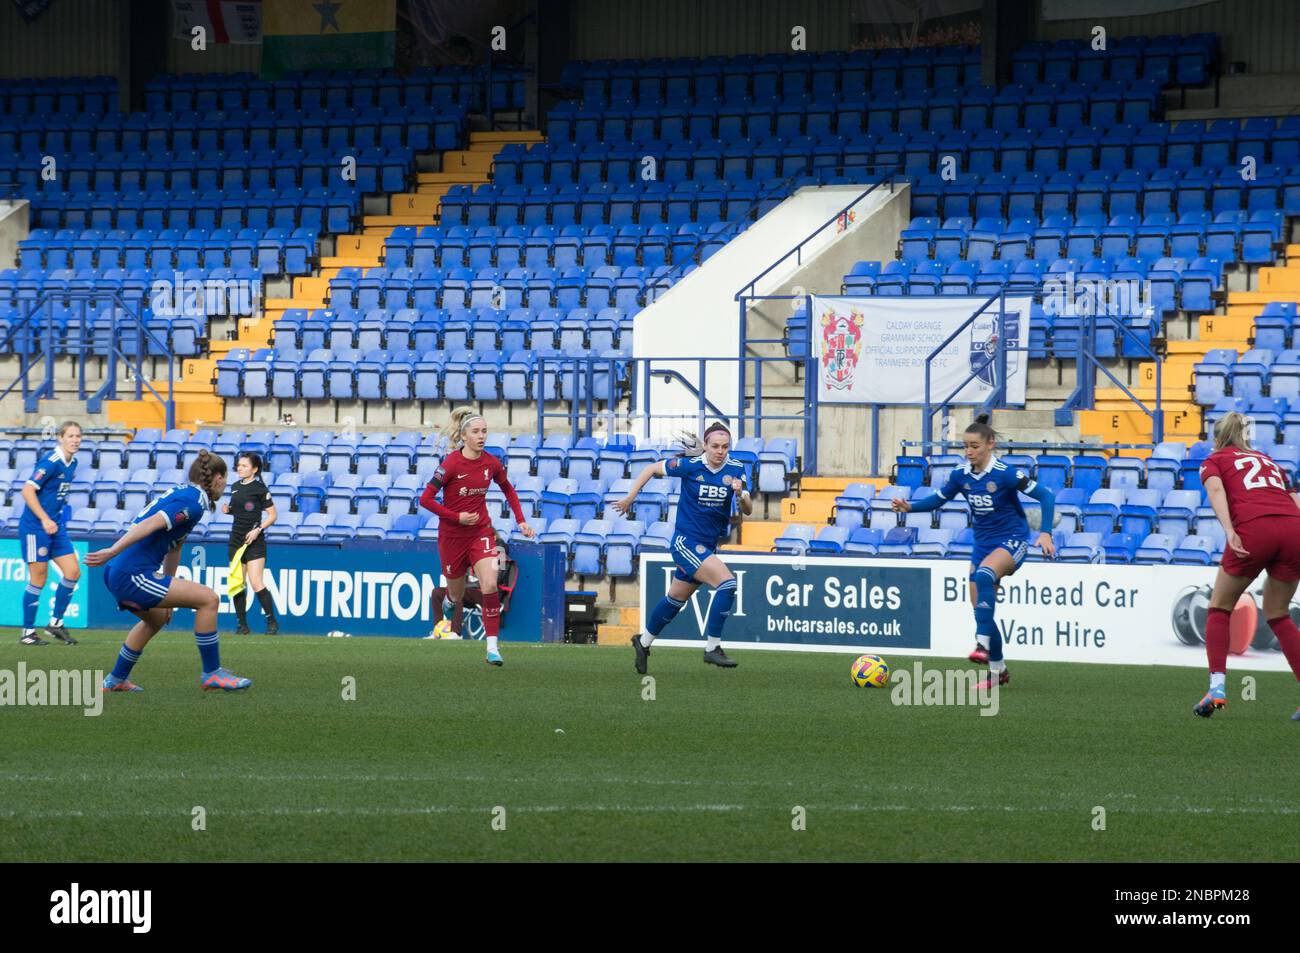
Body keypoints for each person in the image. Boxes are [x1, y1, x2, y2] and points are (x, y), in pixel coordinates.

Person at [892, 414, 1056, 689]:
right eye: (965, 446)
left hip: (1013, 539)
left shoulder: (1005, 473)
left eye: (974, 446)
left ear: (990, 444)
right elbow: (938, 500)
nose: (969, 451)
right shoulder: (961, 475)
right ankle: (997, 671)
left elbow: (1046, 496)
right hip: (982, 544)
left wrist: (1046, 531)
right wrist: (911, 507)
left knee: (983, 576)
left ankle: (980, 643)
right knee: (982, 609)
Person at [87, 451, 252, 693]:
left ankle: (116, 680)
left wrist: (169, 594)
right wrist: (112, 550)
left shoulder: (186, 494)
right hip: (131, 573)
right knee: (209, 599)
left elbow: (175, 547)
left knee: (156, 619)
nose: (224, 486)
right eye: (225, 481)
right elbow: (150, 523)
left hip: (120, 571)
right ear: (217, 478)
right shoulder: (193, 502)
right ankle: (212, 673)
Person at [616, 423, 752, 673]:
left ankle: (643, 642)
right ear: (705, 445)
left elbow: (748, 509)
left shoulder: (736, 469)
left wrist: (741, 494)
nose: (720, 451)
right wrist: (630, 497)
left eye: (725, 447)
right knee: (728, 584)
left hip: (708, 545)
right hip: (686, 542)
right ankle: (712, 648)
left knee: (676, 598)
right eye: (715, 446)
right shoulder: (690, 466)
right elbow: (650, 468)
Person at [1193, 411, 1300, 720]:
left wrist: (1229, 530)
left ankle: (1217, 688)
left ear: (1217, 438)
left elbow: (1215, 491)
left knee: (1219, 607)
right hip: (1293, 530)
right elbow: (1294, 501)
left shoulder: (1214, 460)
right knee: (1278, 614)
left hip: (1256, 529)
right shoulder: (1268, 461)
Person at [419, 407, 534, 665]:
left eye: (484, 431)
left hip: (480, 532)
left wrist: (521, 520)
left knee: (490, 584)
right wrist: (455, 517)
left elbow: (508, 489)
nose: (482, 436)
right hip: (451, 536)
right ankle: (449, 600)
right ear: (463, 435)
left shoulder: (491, 463)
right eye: (476, 432)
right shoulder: (450, 464)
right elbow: (425, 499)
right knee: (457, 596)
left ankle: (492, 647)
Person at [17, 421, 83, 645]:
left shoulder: (72, 463)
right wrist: (44, 519)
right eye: (70, 436)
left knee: (73, 572)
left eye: (78, 436)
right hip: (36, 527)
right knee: (39, 577)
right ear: (60, 438)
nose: (75, 440)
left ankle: (55, 623)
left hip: (55, 526)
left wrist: (54, 519)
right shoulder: (51, 461)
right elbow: (27, 491)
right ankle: (27, 633)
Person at [223, 451, 279, 635]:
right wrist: (227, 510)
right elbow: (238, 510)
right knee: (238, 582)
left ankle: (271, 621)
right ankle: (242, 625)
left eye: (244, 465)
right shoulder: (235, 486)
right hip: (236, 540)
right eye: (239, 465)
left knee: (256, 582)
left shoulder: (260, 488)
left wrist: (258, 530)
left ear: (254, 469)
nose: (240, 468)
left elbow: (273, 515)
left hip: (254, 540)